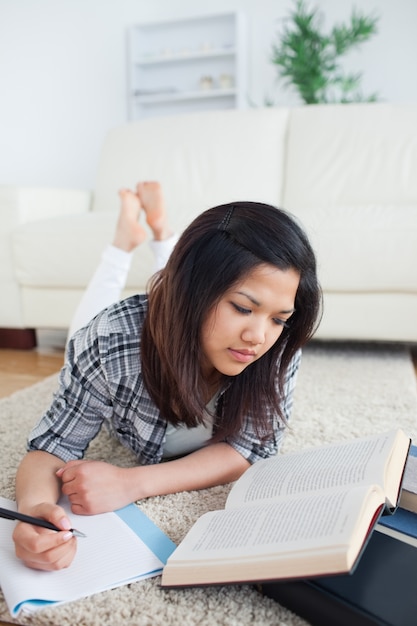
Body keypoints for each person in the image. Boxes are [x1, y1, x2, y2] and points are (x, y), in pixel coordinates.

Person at [13, 188, 322, 571]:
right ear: (193, 293)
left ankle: (159, 232)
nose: (259, 336)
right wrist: (36, 511)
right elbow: (53, 445)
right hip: (133, 335)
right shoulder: (108, 343)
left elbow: (251, 449)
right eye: (243, 308)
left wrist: (134, 482)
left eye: (278, 317)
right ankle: (124, 242)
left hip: (174, 312)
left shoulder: (278, 345)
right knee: (89, 319)